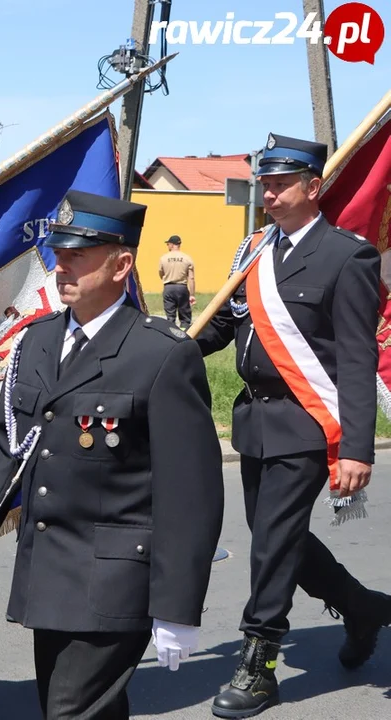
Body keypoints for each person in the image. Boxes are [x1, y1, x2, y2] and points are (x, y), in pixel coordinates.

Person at [0, 190, 225, 720]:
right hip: (48, 573)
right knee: (74, 707)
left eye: (78, 254)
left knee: (70, 712)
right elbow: (5, 449)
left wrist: (178, 606)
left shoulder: (160, 354)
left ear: (121, 265)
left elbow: (191, 495)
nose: (61, 265)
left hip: (117, 581)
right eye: (59, 252)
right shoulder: (36, 341)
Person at [196, 133, 391, 718]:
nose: (270, 194)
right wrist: (166, 348)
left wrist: (357, 447)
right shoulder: (254, 250)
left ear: (314, 187)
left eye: (281, 185)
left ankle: (260, 662)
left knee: (274, 542)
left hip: (307, 420)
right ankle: (360, 606)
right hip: (254, 417)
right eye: (265, 184)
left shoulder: (345, 255)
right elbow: (224, 326)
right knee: (272, 534)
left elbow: (356, 358)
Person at [159, 235, 196, 330]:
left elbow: (161, 274)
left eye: (168, 244)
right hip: (182, 288)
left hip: (168, 288)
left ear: (171, 245)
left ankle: (171, 336)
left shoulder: (163, 258)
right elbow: (191, 278)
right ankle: (185, 333)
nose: (167, 246)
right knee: (185, 317)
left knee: (170, 317)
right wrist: (192, 294)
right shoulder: (187, 258)